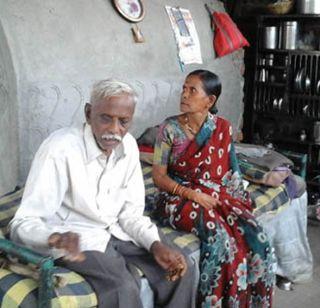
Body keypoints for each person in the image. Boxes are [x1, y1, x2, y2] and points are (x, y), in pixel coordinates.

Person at [10, 79, 196, 308]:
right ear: (89, 114)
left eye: (123, 122)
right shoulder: (59, 149)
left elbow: (131, 214)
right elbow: (23, 223)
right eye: (106, 118)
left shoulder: (128, 146)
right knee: (122, 289)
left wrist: (154, 244)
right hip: (79, 238)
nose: (114, 130)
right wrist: (54, 237)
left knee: (181, 268)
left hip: (118, 230)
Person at [152, 70, 276, 307]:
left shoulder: (223, 128)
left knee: (257, 237)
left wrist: (240, 204)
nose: (184, 94)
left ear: (210, 101)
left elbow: (232, 169)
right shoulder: (168, 129)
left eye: (192, 90)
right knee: (218, 236)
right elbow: (158, 177)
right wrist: (192, 194)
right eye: (184, 88)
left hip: (214, 193)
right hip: (176, 198)